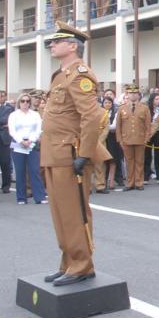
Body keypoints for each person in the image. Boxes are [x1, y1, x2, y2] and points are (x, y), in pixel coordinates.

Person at [40, 22, 112, 286]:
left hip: (70, 153)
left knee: (74, 213)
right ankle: (69, 262)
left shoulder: (80, 76)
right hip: (54, 153)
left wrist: (84, 154)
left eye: (57, 41)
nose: (51, 44)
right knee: (60, 214)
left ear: (72, 46)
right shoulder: (60, 76)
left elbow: (91, 117)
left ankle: (82, 265)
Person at [8, 93, 45, 205]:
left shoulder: (35, 115)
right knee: (20, 171)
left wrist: (31, 140)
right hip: (18, 145)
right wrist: (21, 141)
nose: (25, 103)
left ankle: (39, 197)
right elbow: (12, 131)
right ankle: (21, 198)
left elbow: (38, 129)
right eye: (23, 101)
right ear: (19, 102)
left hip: (31, 144)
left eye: (27, 101)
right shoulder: (13, 115)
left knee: (35, 170)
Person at [116, 85, 151, 191]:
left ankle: (139, 183)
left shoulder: (144, 108)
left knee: (139, 161)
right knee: (129, 162)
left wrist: (146, 138)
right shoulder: (122, 108)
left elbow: (148, 125)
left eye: (135, 93)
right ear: (127, 95)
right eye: (131, 93)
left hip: (140, 139)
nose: (133, 95)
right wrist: (119, 139)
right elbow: (118, 125)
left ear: (138, 95)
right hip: (126, 139)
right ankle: (130, 183)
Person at [0, 89, 14, 194]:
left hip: (4, 139)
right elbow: (2, 122)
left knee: (5, 163)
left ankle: (6, 186)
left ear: (1, 98)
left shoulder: (8, 109)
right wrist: (1, 125)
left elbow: (6, 120)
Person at [103, 96, 123, 190]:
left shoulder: (115, 112)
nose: (107, 104)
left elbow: (114, 126)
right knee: (103, 161)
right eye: (105, 102)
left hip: (112, 139)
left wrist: (104, 127)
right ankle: (103, 181)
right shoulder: (99, 112)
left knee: (113, 160)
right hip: (102, 139)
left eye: (109, 103)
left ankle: (111, 182)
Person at [92, 100, 110, 193]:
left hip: (100, 142)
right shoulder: (84, 111)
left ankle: (100, 185)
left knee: (100, 165)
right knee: (87, 165)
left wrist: (99, 141)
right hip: (87, 141)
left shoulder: (103, 112)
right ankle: (87, 187)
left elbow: (106, 128)